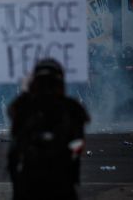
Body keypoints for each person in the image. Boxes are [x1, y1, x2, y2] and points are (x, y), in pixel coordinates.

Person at [7, 59, 90, 200]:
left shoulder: (25, 105)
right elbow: (77, 145)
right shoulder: (70, 107)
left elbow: (14, 145)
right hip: (57, 179)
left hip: (38, 179)